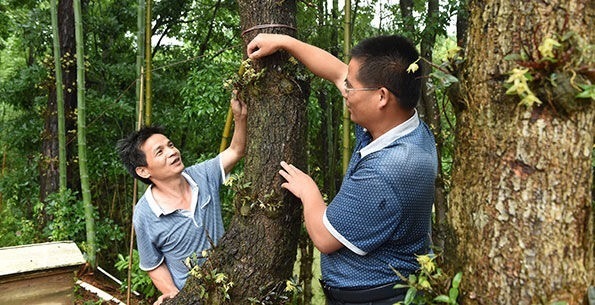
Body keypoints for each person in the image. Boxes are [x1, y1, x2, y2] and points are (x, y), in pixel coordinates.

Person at [247, 34, 437, 304]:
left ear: (382, 96)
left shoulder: (390, 169)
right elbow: (338, 72)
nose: (345, 91)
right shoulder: (405, 125)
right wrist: (285, 42)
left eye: (351, 87)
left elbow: (324, 238)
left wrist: (308, 191)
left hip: (377, 297)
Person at [116, 93, 247, 305]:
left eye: (170, 145)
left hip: (231, 286)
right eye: (160, 152)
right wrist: (173, 293)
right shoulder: (145, 214)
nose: (172, 152)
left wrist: (240, 117)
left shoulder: (202, 175)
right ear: (143, 171)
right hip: (192, 298)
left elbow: (236, 150)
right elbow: (152, 263)